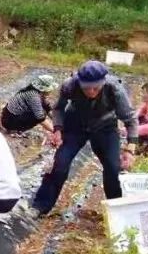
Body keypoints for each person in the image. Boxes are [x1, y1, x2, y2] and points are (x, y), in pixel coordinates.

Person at [32, 61, 139, 216]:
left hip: (105, 126)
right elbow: (58, 108)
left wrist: (130, 149)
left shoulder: (114, 89)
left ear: (103, 82)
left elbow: (130, 119)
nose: (91, 91)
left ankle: (116, 211)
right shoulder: (70, 85)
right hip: (76, 123)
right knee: (60, 164)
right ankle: (40, 206)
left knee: (112, 167)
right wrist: (58, 129)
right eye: (86, 88)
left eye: (96, 87)